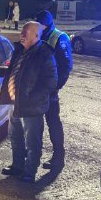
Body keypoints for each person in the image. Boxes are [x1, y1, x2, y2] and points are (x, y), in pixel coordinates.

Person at [0, 21, 58, 183]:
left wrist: (31, 98)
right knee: (15, 136)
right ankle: (17, 166)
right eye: (22, 31)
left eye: (26, 32)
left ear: (37, 36)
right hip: (15, 103)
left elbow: (51, 82)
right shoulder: (20, 50)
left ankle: (29, 171)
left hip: (31, 107)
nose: (22, 35)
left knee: (32, 141)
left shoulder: (45, 54)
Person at [35, 10, 73, 170]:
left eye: (40, 24)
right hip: (36, 89)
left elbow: (66, 66)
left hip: (50, 90)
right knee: (35, 124)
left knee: (53, 122)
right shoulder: (39, 34)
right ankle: (33, 157)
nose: (39, 27)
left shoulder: (59, 37)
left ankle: (58, 157)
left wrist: (55, 87)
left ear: (46, 24)